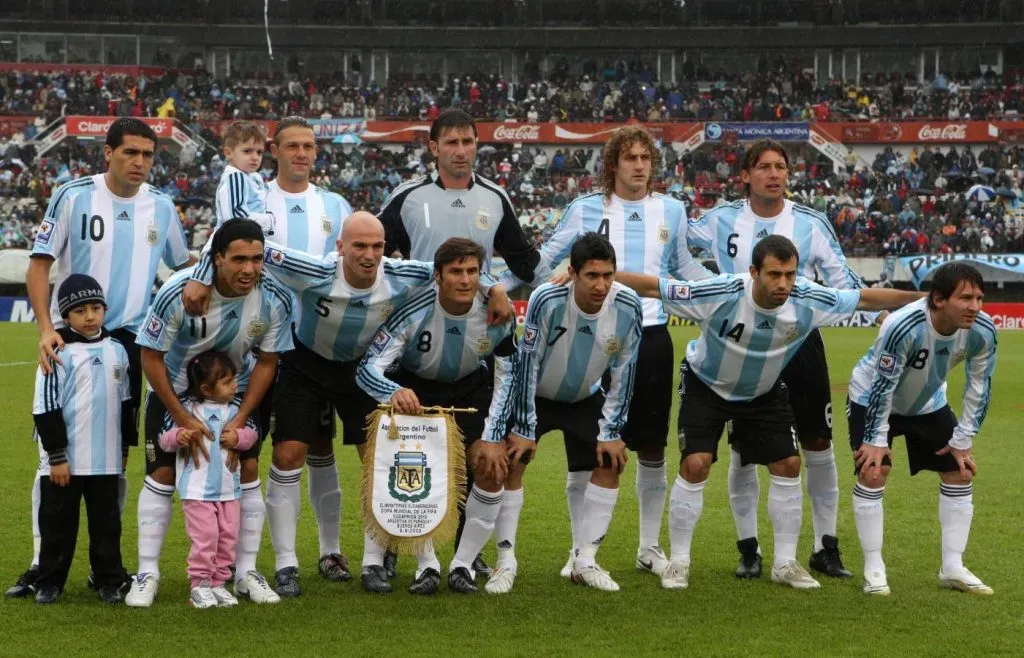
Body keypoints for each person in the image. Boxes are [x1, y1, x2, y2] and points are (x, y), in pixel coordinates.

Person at [614, 235, 923, 591]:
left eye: (790, 274)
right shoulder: (720, 292)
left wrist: (923, 299)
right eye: (774, 274)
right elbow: (655, 286)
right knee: (696, 463)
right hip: (707, 386)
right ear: (753, 272)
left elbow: (865, 298)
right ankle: (679, 562)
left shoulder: (808, 297)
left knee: (789, 464)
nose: (783, 284)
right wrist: (601, 276)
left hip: (763, 392)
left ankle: (785, 563)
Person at [260, 212, 512, 597]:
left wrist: (495, 288)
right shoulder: (314, 270)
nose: (369, 254)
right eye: (359, 246)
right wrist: (197, 277)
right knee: (289, 455)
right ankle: (285, 565)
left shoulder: (403, 273)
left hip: (363, 370)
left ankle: (372, 563)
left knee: (380, 462)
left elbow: (453, 267)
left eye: (377, 246)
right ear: (340, 247)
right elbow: (246, 244)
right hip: (305, 364)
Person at [501, 125, 712, 578]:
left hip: (651, 335)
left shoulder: (672, 211)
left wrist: (718, 294)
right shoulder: (585, 209)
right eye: (630, 157)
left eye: (645, 158)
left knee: (652, 447)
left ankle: (648, 547)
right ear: (613, 164)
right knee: (591, 445)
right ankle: (580, 554)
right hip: (595, 335)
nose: (639, 166)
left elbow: (683, 267)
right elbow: (544, 260)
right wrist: (496, 286)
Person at [8, 118, 193, 599]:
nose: (140, 163)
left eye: (148, 155)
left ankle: (105, 567)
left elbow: (182, 268)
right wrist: (47, 329)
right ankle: (39, 562)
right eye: (131, 152)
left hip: (131, 344)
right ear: (107, 153)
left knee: (117, 457)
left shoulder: (162, 206)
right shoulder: (73, 196)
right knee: (53, 456)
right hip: (72, 338)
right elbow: (41, 263)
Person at [184, 116, 355, 590]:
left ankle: (330, 551)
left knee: (318, 447)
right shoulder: (257, 198)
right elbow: (223, 238)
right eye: (293, 146)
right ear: (275, 150)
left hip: (316, 344)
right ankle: (258, 561)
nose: (302, 153)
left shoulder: (334, 205)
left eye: (310, 146)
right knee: (255, 448)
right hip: (257, 338)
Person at [378, 109, 551, 577]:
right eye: (451, 142)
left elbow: (528, 263)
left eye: (468, 142)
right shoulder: (408, 198)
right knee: (408, 456)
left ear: (477, 146)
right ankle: (394, 549)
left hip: (473, 342)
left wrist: (495, 285)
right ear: (433, 148)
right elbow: (376, 255)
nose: (460, 151)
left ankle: (461, 558)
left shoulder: (494, 198)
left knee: (469, 456)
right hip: (415, 343)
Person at [687, 138, 870, 579]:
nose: (775, 173)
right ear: (746, 175)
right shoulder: (720, 219)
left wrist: (867, 305)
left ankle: (826, 546)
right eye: (765, 166)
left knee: (818, 443)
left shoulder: (811, 223)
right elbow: (672, 249)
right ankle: (749, 549)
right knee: (745, 452)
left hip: (797, 339)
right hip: (740, 342)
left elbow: (841, 278)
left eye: (781, 167)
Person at [128, 218, 293, 607]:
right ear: (216, 259)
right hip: (172, 392)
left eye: (256, 259)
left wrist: (240, 417)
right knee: (163, 472)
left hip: (231, 395)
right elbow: (150, 356)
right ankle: (147, 572)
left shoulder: (273, 299)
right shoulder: (177, 294)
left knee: (246, 468)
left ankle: (244, 571)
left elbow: (268, 362)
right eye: (238, 259)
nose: (249, 269)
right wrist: (183, 417)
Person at [355, 237, 517, 595]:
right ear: (438, 276)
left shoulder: (499, 316)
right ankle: (424, 564)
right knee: (411, 472)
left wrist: (493, 436)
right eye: (455, 271)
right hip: (415, 391)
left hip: (471, 389)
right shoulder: (413, 311)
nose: (464, 279)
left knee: (491, 467)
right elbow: (367, 369)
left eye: (472, 271)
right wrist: (392, 392)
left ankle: (463, 565)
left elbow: (508, 376)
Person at [498, 233, 643, 593]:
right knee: (512, 461)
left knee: (609, 462)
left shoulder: (628, 305)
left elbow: (625, 372)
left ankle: (585, 560)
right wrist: (524, 425)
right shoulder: (546, 298)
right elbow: (527, 364)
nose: (602, 284)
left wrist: (612, 432)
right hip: (538, 396)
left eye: (608, 275)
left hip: (584, 396)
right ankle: (505, 561)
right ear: (573, 273)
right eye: (592, 275)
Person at [847, 263, 996, 596]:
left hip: (927, 402)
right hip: (871, 396)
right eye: (966, 298)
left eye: (979, 298)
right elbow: (882, 388)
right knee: (873, 472)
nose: (975, 307)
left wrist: (962, 440)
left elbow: (978, 387)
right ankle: (874, 568)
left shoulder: (983, 329)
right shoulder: (904, 326)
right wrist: (874, 439)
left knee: (960, 471)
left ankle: (953, 567)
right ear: (939, 300)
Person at [29, 275, 133, 605]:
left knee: (107, 525)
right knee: (57, 525)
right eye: (79, 311)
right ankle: (49, 581)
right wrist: (57, 456)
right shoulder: (58, 352)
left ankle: (108, 580)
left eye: (95, 308)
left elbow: (127, 403)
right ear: (66, 317)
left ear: (104, 309)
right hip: (65, 462)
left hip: (106, 459)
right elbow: (45, 407)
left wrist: (125, 447)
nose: (89, 316)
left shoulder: (118, 350)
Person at [158, 352, 260, 608]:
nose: (235, 385)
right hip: (197, 491)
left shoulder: (235, 410)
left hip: (229, 489)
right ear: (206, 388)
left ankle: (218, 583)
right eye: (227, 382)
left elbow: (252, 435)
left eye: (234, 379)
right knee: (206, 537)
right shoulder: (188, 410)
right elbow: (164, 439)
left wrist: (239, 439)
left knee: (228, 538)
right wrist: (179, 436)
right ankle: (199, 585)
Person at [213, 121, 274, 234]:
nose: (255, 157)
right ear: (228, 153)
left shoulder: (253, 176)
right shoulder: (235, 176)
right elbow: (236, 218)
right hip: (230, 244)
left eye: (259, 152)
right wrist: (269, 221)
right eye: (247, 151)